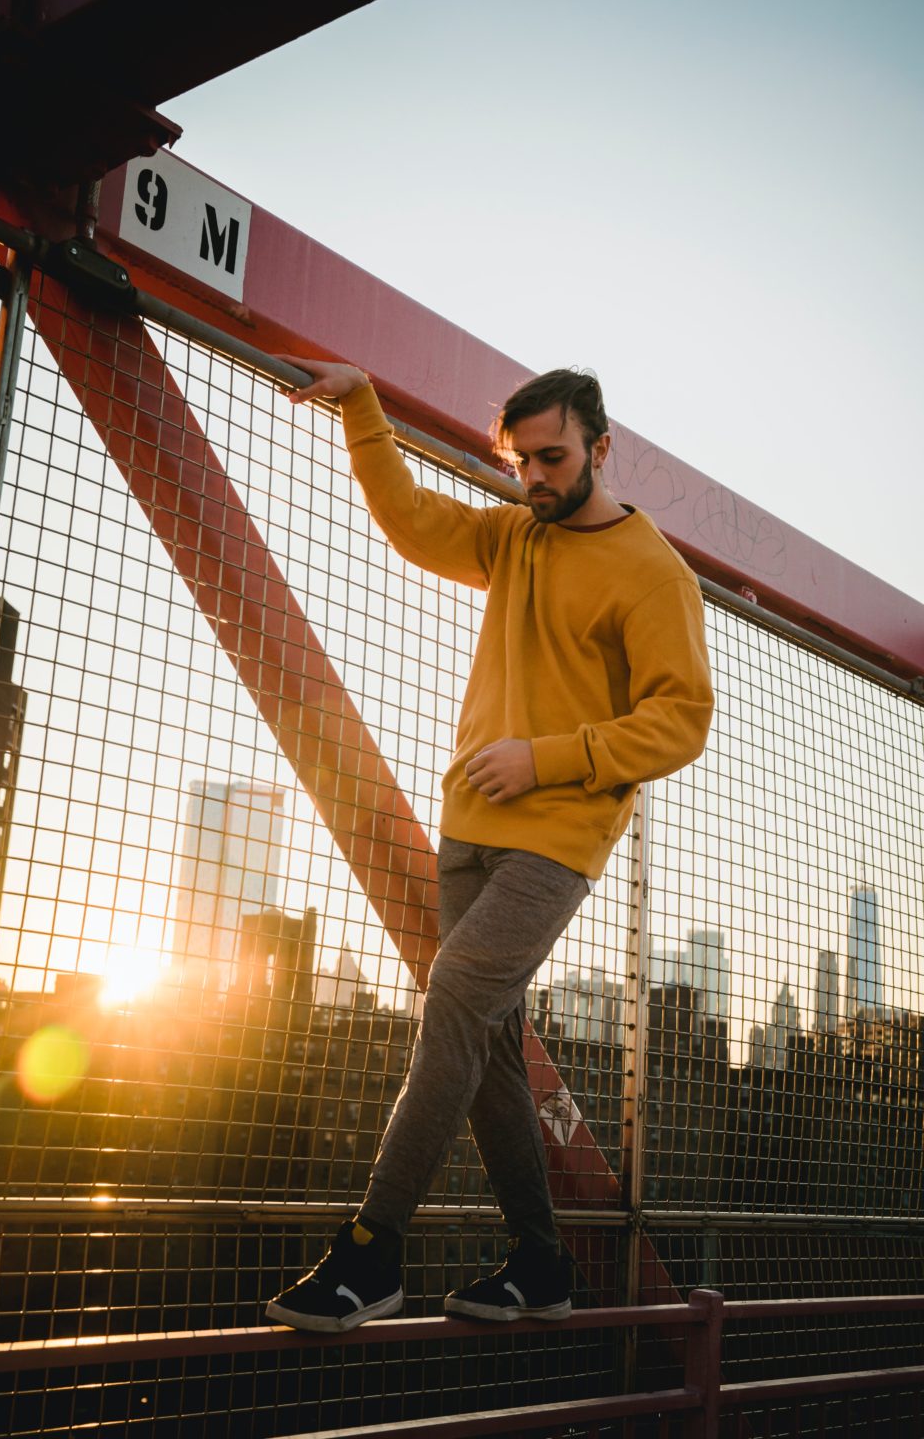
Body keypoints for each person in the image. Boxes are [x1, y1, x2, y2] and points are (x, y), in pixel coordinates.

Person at [265, 358, 714, 1332]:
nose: (533, 478)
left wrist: (548, 758)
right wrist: (362, 406)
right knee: (493, 1046)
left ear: (601, 448)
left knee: (457, 996)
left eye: (551, 458)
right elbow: (415, 522)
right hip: (466, 830)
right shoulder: (516, 536)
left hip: (556, 837)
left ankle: (370, 1253)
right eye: (519, 462)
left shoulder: (653, 575)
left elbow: (680, 722)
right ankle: (541, 1263)